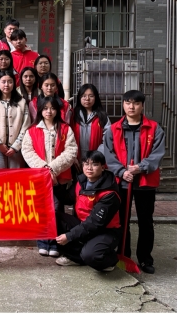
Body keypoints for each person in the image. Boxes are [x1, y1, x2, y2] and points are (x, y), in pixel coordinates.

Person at [104, 90, 165, 274]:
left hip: (145, 183)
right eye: (128, 103)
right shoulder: (113, 129)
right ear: (123, 104)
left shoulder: (154, 128)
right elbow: (109, 154)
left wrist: (140, 167)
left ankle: (145, 259)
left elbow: (157, 154)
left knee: (145, 221)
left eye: (136, 103)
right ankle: (124, 255)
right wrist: (122, 172)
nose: (132, 107)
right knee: (122, 220)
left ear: (142, 106)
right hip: (122, 183)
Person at [22, 95, 78, 257]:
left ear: (57, 110)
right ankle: (42, 242)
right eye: (45, 108)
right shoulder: (32, 130)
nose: (49, 111)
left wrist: (52, 168)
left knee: (56, 208)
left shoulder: (65, 129)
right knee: (41, 209)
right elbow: (27, 151)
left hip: (59, 178)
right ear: (40, 110)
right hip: (40, 177)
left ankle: (55, 243)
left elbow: (71, 151)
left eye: (52, 108)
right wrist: (44, 169)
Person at [54, 150, 121, 272]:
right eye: (86, 164)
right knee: (54, 218)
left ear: (103, 167)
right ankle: (76, 258)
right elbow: (67, 198)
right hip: (83, 224)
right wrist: (56, 185)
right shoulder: (82, 182)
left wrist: (69, 236)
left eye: (94, 164)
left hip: (105, 231)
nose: (89, 168)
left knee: (91, 256)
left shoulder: (109, 193)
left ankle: (110, 259)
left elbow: (94, 223)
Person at [0, 71, 30, 169]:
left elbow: (26, 126)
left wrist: (16, 146)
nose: (6, 85)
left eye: (10, 82)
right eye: (3, 82)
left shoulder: (22, 103)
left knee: (16, 175)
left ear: (14, 83)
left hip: (17, 148)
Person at [72, 84, 111, 164]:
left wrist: (97, 156)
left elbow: (108, 139)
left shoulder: (102, 116)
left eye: (91, 96)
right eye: (84, 96)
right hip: (74, 161)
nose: (87, 99)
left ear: (96, 98)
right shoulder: (72, 115)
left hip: (96, 161)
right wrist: (72, 157)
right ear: (79, 98)